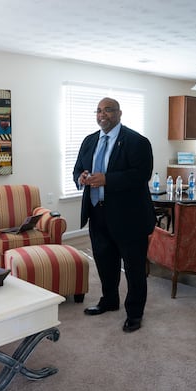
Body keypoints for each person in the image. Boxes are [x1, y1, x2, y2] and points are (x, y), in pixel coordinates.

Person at [73, 97, 155, 333]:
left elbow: (141, 174)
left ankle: (135, 313)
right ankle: (109, 300)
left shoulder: (136, 141)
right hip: (97, 213)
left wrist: (108, 180)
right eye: (98, 110)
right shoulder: (89, 141)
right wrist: (80, 177)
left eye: (108, 110)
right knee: (104, 262)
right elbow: (78, 168)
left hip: (129, 217)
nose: (102, 114)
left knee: (133, 268)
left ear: (119, 113)